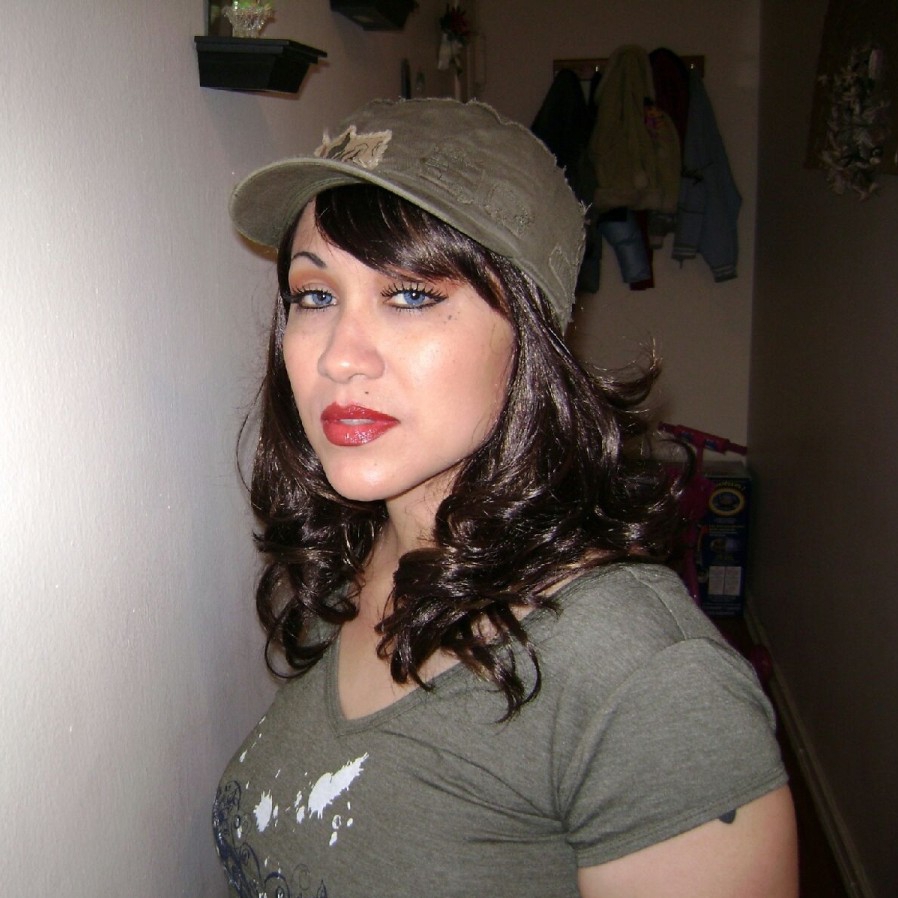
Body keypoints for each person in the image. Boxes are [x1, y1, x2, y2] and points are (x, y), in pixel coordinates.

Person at [213, 97, 797, 898]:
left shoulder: (647, 680)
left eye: (410, 295)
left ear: (531, 333)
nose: (339, 357)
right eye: (316, 296)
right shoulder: (353, 562)